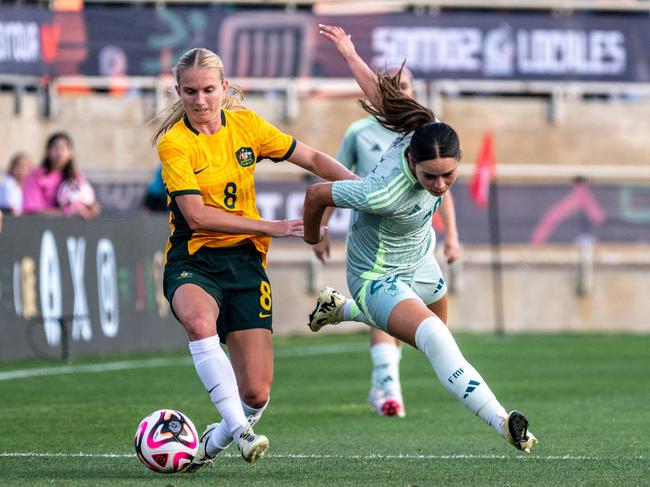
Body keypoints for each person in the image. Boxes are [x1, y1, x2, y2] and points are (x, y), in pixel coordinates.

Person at [303, 24, 538, 453]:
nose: (441, 184)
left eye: (450, 174)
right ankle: (504, 421)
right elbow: (316, 193)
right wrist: (313, 233)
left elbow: (385, 99)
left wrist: (349, 53)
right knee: (435, 339)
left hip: (422, 261)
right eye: (431, 176)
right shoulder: (381, 192)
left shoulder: (423, 128)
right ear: (410, 159)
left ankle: (339, 310)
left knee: (434, 336)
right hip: (377, 275)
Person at [152, 47, 357, 472]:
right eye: (190, 91)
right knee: (197, 321)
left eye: (209, 90)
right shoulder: (175, 144)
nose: (200, 100)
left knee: (257, 395)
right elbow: (195, 214)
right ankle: (243, 433)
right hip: (195, 259)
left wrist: (363, 189)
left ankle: (218, 438)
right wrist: (272, 227)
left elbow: (314, 159)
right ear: (178, 91)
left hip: (245, 264)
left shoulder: (246, 126)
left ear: (224, 88)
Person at [312, 65, 461, 418]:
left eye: (405, 86)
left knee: (428, 327)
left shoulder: (425, 134)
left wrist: (452, 236)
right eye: (393, 88)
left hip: (414, 242)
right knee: (388, 305)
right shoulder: (358, 133)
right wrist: (322, 228)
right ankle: (389, 390)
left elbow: (443, 189)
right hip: (374, 242)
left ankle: (345, 313)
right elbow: (335, 178)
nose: (401, 93)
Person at [22, 132, 100, 219]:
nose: (60, 152)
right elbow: (31, 212)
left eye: (64, 148)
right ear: (48, 151)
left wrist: (89, 209)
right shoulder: (35, 176)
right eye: (55, 148)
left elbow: (83, 204)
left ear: (71, 152)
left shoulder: (76, 176)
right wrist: (65, 212)